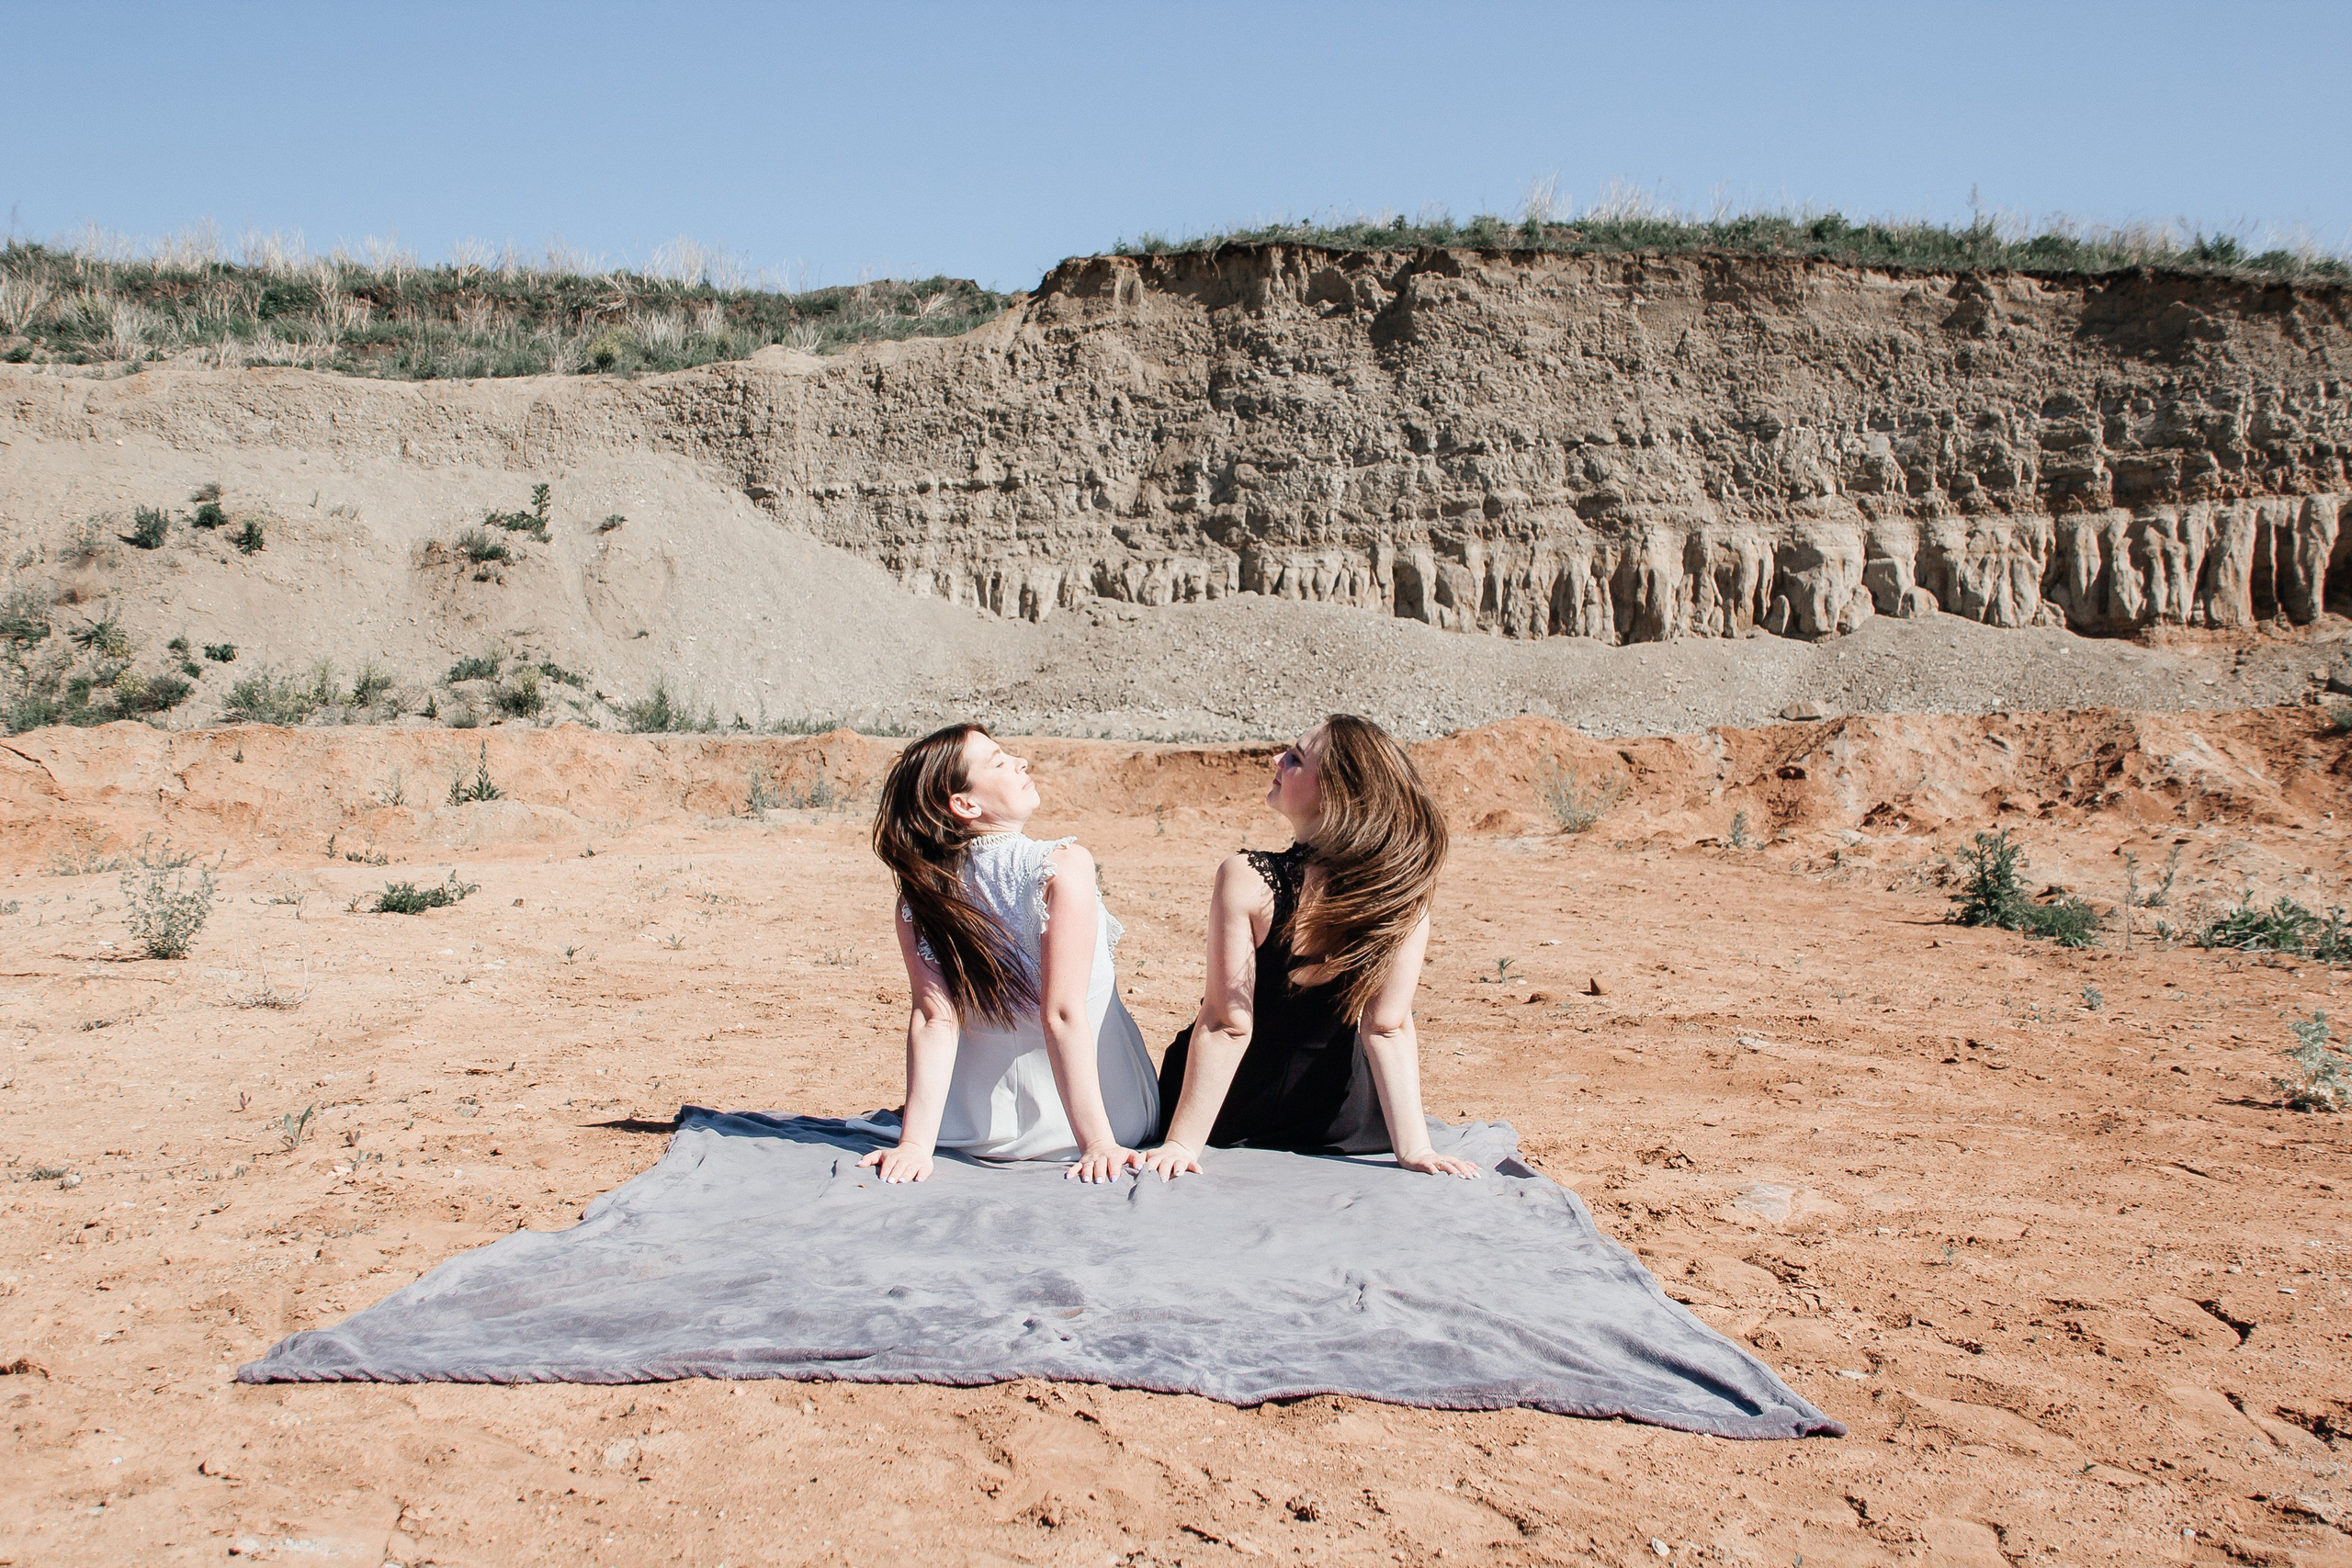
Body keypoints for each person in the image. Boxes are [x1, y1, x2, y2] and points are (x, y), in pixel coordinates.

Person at [1139, 715, 1478, 1180]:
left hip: (1230, 1111)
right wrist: (1414, 1148)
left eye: (1295, 758)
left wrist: (1180, 1143)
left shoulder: (1246, 879)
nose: (1277, 760)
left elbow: (1226, 1025)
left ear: (1337, 795)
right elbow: (1387, 1028)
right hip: (1338, 1117)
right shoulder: (1400, 896)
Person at [859, 723, 1159, 1184]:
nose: (1020, 762)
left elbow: (934, 1019)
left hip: (976, 1129)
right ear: (965, 804)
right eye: (998, 761)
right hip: (1105, 1118)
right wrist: (1098, 1143)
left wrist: (915, 1144)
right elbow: (1060, 1013)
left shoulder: (922, 898)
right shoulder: (1062, 866)